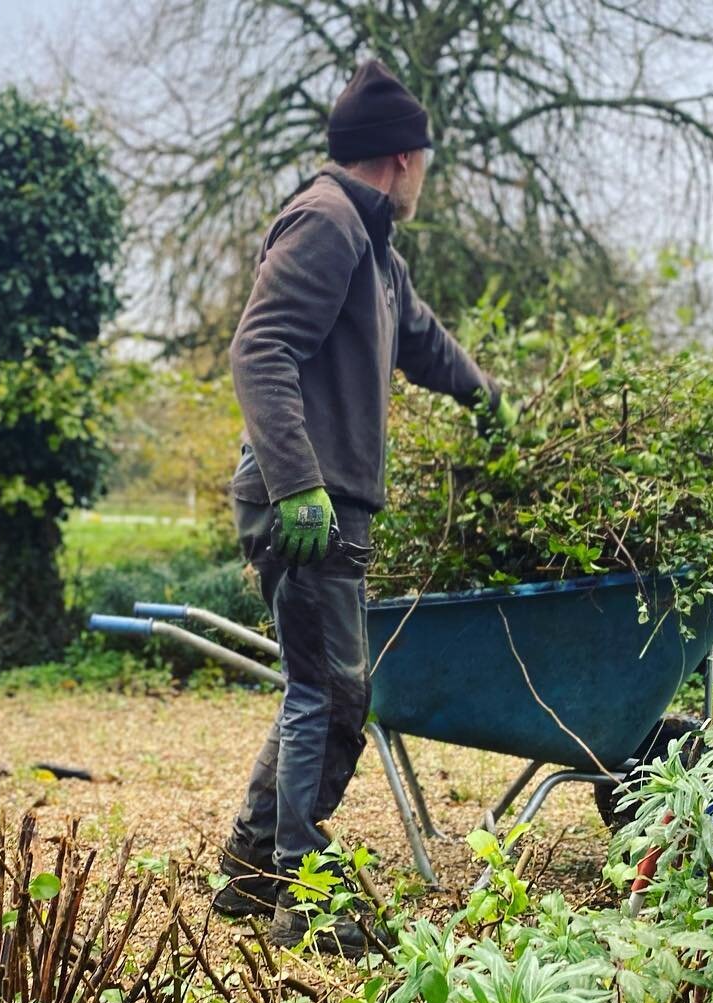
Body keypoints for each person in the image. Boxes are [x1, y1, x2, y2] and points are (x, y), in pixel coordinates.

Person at [213, 59, 517, 955]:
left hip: (329, 499)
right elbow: (258, 349)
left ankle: (253, 863)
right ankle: (300, 889)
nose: (427, 171)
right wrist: (298, 481)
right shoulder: (327, 222)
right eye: (425, 157)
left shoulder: (377, 248)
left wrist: (484, 396)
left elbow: (420, 340)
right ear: (401, 157)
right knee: (335, 693)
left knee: (321, 690)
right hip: (305, 502)